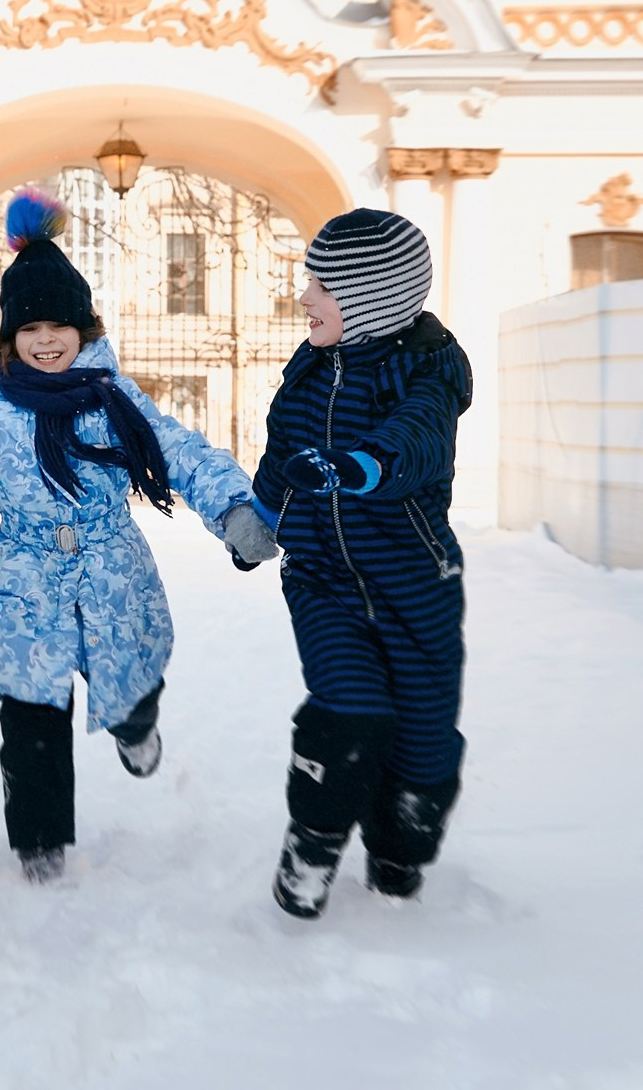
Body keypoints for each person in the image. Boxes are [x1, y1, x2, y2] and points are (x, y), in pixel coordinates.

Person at [0, 191, 278, 883]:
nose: (46, 339)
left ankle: (137, 726)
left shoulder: (114, 397)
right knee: (30, 717)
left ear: (84, 327)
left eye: (60, 325)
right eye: (30, 328)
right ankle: (39, 844)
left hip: (112, 573)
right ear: (9, 338)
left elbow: (177, 450)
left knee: (131, 685)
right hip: (25, 584)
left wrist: (233, 508)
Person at [250, 207, 472, 919]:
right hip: (324, 582)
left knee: (423, 738)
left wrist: (355, 464)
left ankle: (398, 851)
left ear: (372, 296)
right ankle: (313, 842)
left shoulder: (423, 375)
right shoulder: (308, 374)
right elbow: (281, 457)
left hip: (415, 584)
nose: (304, 297)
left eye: (322, 285)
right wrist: (260, 520)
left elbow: (416, 443)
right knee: (348, 707)